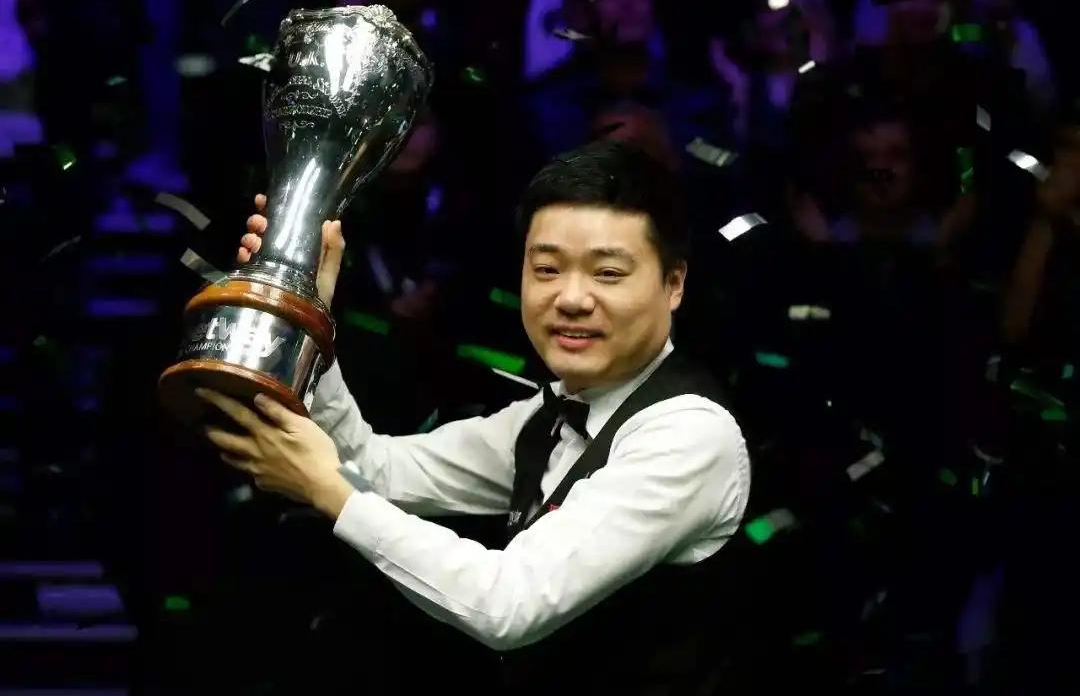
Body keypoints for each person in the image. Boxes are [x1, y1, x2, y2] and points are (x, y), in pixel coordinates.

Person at [198, 140, 750, 693]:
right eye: (547, 269)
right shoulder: (549, 414)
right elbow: (373, 470)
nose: (571, 298)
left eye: (607, 273)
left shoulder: (689, 434)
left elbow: (509, 603)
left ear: (673, 284)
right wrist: (309, 309)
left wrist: (329, 488)